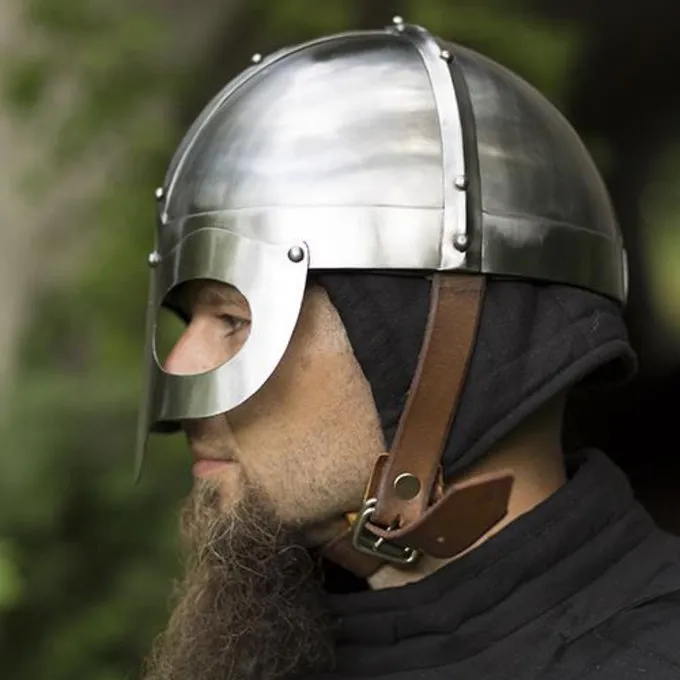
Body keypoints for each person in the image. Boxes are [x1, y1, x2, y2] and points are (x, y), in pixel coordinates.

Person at [135, 17, 680, 680]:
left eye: (234, 318)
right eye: (189, 317)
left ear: (440, 347)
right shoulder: (284, 649)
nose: (180, 364)